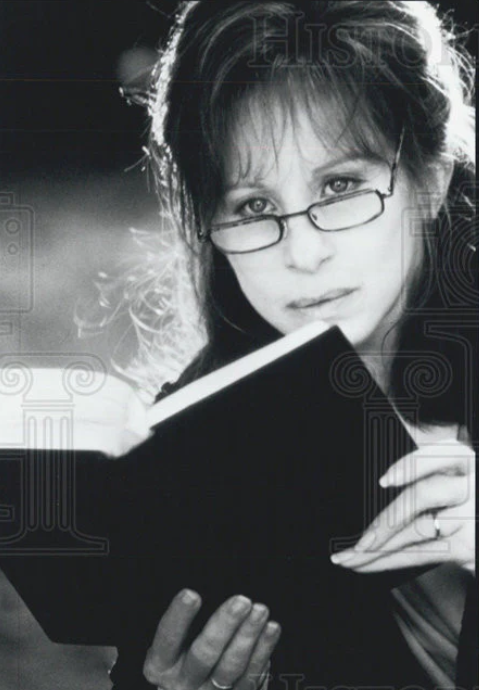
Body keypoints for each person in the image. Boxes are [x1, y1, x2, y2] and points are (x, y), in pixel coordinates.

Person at [102, 1, 475, 688]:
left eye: (340, 186)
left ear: (432, 175)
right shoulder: (191, 443)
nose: (302, 253)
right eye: (253, 205)